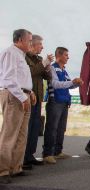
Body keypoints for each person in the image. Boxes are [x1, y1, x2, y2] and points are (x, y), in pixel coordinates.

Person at [0, 29, 36, 184]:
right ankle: (2, 171)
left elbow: (20, 78)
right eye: (29, 40)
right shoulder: (11, 53)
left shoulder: (21, 55)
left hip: (23, 95)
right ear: (20, 40)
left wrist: (30, 91)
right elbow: (8, 79)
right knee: (9, 135)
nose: (31, 43)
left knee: (22, 134)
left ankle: (15, 168)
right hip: (15, 97)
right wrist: (22, 96)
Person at [42, 47, 83, 164]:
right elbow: (55, 84)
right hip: (55, 101)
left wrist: (77, 84)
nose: (68, 57)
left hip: (64, 101)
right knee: (52, 128)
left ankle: (57, 151)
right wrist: (72, 82)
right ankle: (47, 154)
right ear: (59, 56)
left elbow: (69, 85)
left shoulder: (64, 70)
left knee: (61, 128)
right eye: (66, 55)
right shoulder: (52, 68)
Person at [23, 34, 53, 170]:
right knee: (26, 129)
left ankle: (30, 155)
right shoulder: (24, 57)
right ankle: (22, 158)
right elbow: (30, 73)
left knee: (35, 129)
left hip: (38, 99)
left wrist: (47, 66)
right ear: (33, 45)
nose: (42, 47)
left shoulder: (39, 59)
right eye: (40, 44)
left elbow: (48, 77)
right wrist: (44, 63)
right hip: (27, 98)